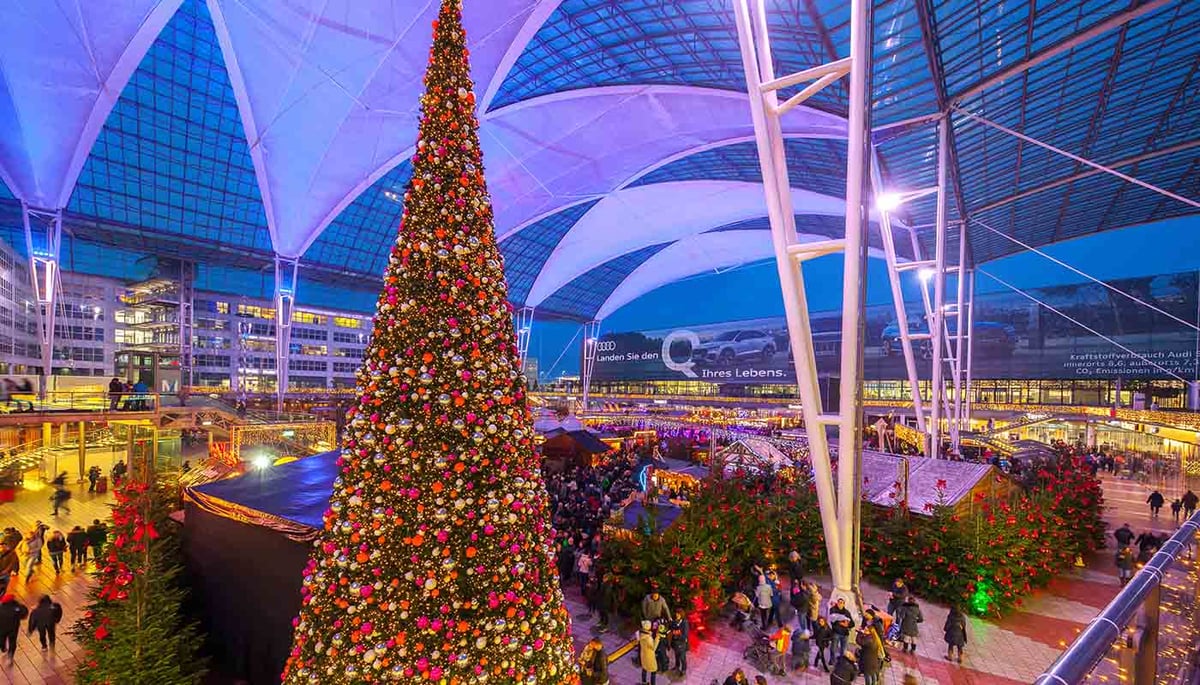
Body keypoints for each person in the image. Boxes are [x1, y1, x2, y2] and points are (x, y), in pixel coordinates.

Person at [0, 594, 27, 661]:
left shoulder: (1, 608)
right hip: (13, 628)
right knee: (12, 641)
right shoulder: (17, 607)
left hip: (2, 628)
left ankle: (3, 648)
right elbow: (24, 613)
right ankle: (10, 655)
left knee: (2, 639)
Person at [638, 620, 660, 685]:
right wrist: (657, 638)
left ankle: (644, 682)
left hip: (643, 655)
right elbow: (653, 647)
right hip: (649, 656)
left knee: (644, 668)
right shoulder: (648, 638)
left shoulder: (641, 634)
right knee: (653, 671)